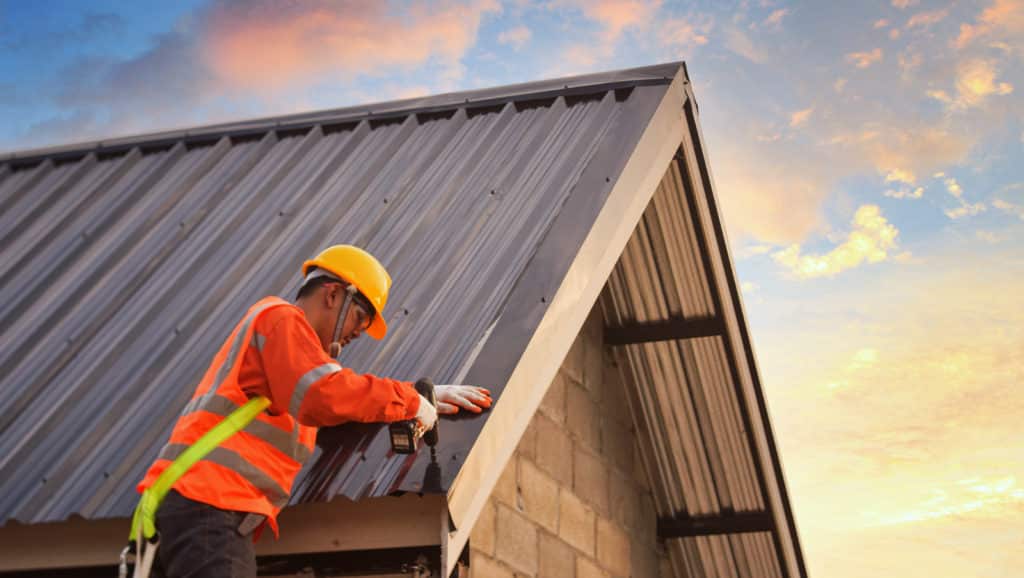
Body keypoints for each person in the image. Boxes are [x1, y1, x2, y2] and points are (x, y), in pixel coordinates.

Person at [136, 245, 491, 578]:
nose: (359, 332)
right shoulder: (280, 319)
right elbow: (327, 394)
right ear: (334, 294)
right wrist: (409, 400)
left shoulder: (289, 369)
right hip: (210, 505)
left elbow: (339, 400)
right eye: (360, 317)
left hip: (200, 507)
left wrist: (417, 396)